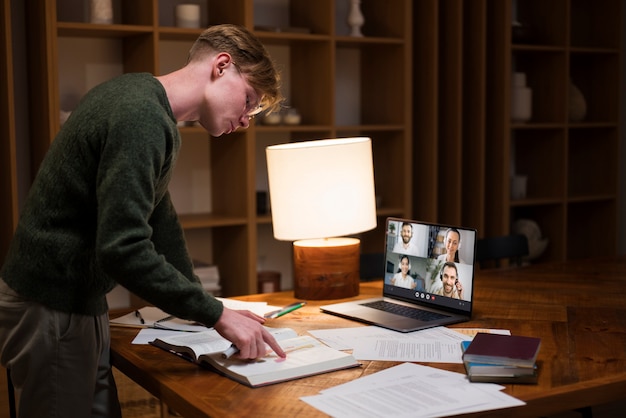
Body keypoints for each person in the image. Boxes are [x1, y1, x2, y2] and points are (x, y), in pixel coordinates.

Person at [0, 24, 286, 417]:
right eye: (248, 101)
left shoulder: (141, 99)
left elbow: (159, 219)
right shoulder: (142, 117)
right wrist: (216, 315)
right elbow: (123, 247)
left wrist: (207, 305)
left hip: (74, 300)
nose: (245, 121)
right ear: (222, 66)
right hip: (52, 305)